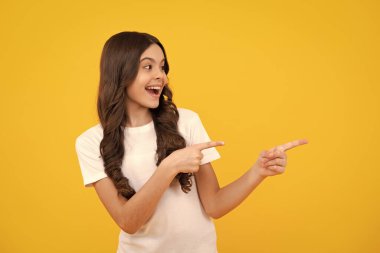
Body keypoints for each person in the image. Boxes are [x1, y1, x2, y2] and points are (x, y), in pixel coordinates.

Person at [75, 31, 308, 253]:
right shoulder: (91, 142)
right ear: (120, 73)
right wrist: (169, 167)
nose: (161, 76)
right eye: (148, 67)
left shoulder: (185, 121)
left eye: (163, 67)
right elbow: (128, 222)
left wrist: (258, 171)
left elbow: (214, 205)